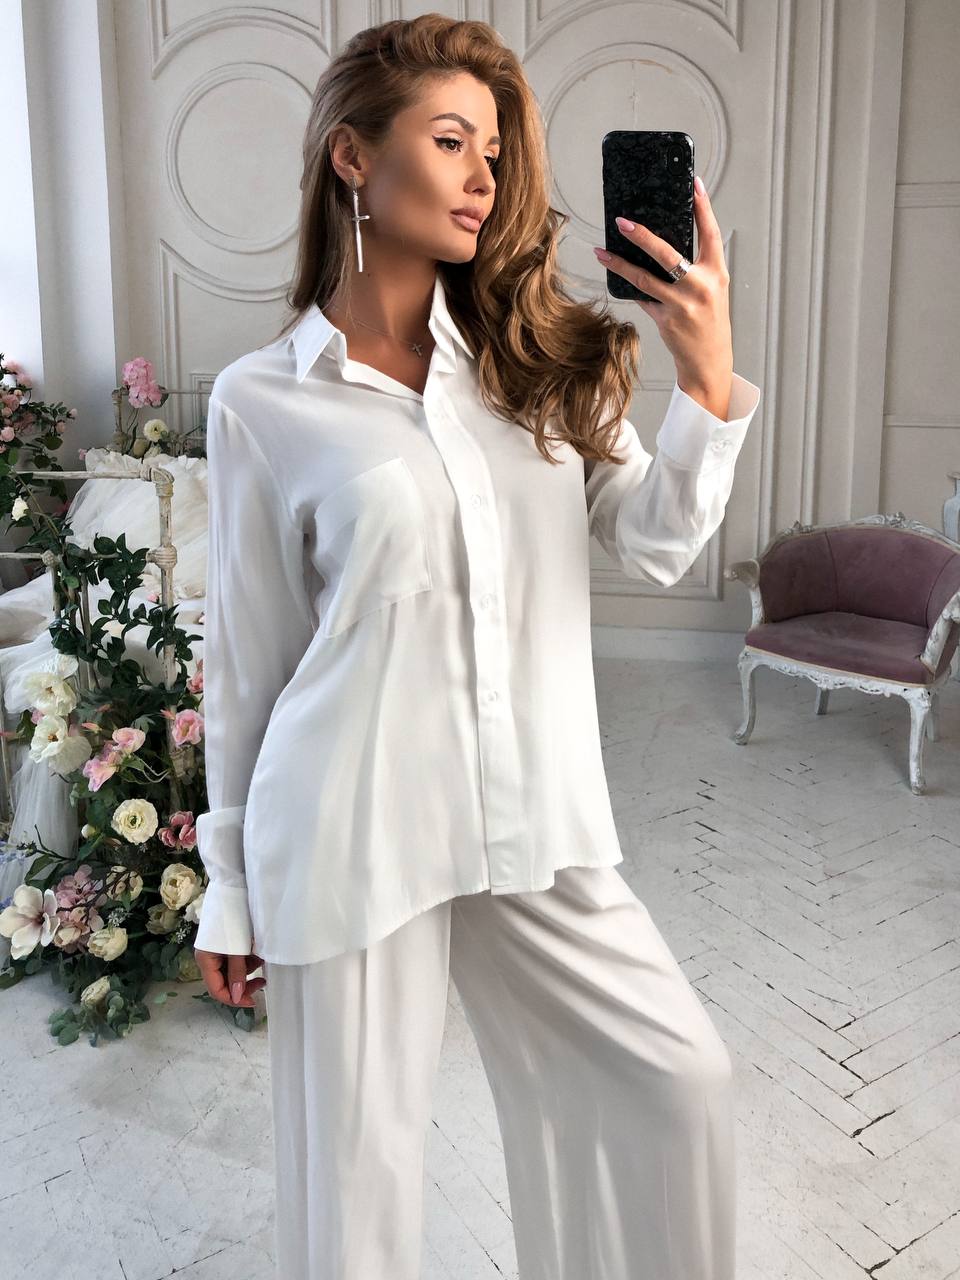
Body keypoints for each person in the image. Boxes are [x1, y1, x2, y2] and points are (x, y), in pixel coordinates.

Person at [193, 13, 760, 1280]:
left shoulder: (536, 361)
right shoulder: (263, 401)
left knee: (678, 1078)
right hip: (349, 819)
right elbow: (250, 662)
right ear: (353, 157)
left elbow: (662, 543)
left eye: (493, 152)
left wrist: (705, 380)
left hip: (529, 815)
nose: (482, 177)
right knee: (361, 1183)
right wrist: (226, 883)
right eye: (450, 141)